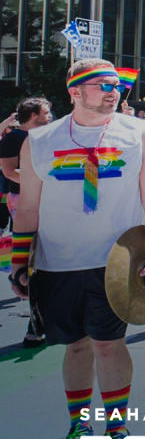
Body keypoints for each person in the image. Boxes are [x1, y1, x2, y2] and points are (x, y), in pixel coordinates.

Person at [11, 59, 145, 439]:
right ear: (75, 92)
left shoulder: (139, 133)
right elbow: (27, 207)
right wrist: (18, 260)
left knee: (107, 345)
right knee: (76, 347)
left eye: (116, 85)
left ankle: (117, 434)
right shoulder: (40, 140)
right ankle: (79, 430)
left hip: (116, 263)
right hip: (56, 264)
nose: (112, 91)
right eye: (102, 86)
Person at [1, 97, 54, 346]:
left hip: (48, 201)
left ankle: (46, 320)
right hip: (22, 200)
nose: (50, 115)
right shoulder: (14, 138)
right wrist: (41, 178)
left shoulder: (47, 137)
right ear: (33, 115)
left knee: (49, 258)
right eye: (46, 112)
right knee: (35, 261)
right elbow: (9, 171)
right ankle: (35, 323)